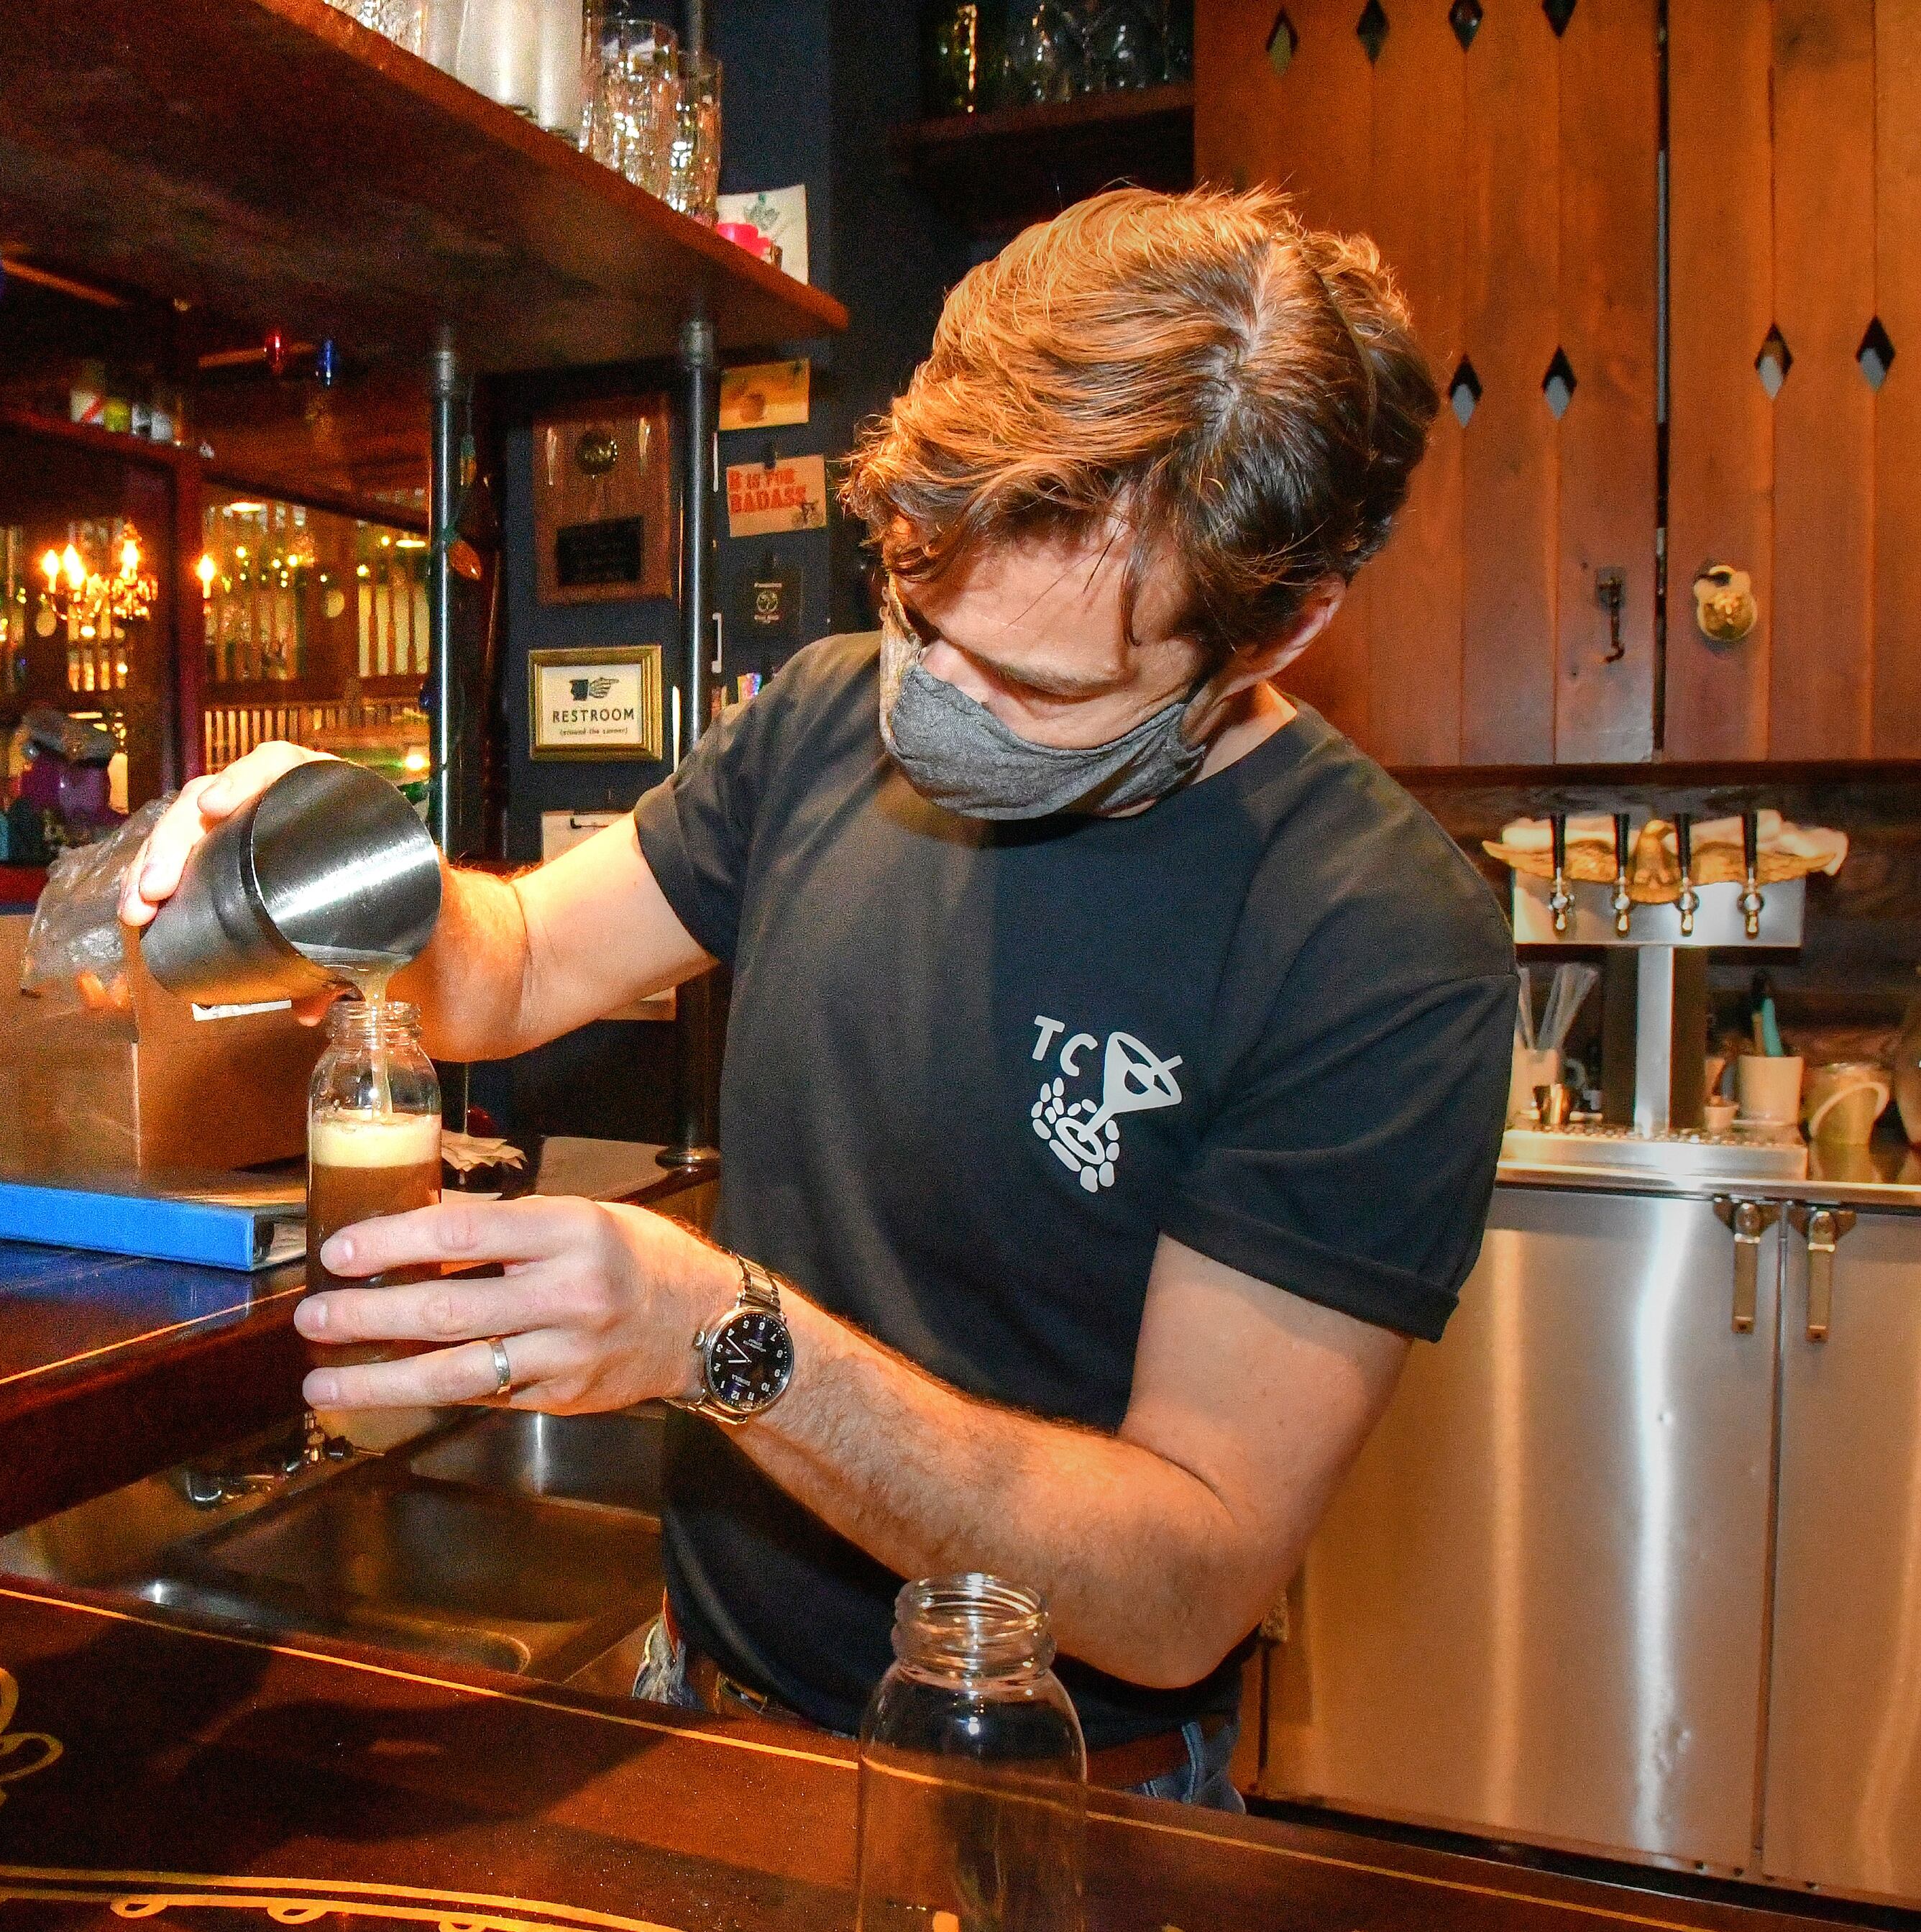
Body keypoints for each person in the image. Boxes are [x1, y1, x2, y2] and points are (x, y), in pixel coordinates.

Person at [124, 187, 1515, 1810]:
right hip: (701, 1707)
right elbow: (510, 967)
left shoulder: (1375, 938)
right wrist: (346, 870)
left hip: (1045, 1792)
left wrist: (722, 1337)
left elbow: (1184, 1579)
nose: (935, 701)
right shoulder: (826, 717)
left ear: (1281, 623)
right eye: (919, 611)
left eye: (1034, 686)